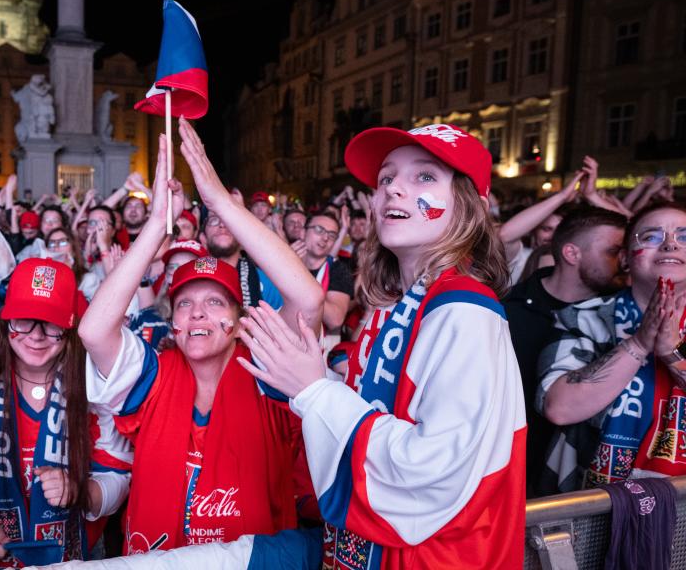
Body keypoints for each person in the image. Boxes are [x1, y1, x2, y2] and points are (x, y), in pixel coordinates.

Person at [238, 123, 525, 568]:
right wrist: (303, 376)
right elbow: (374, 409)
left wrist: (316, 390)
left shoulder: (465, 310)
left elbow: (433, 470)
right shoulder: (395, 304)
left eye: (424, 177)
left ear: (470, 207)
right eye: (387, 179)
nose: (394, 190)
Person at [80, 122, 323, 554]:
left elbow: (306, 299)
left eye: (215, 303)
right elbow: (94, 330)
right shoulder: (151, 374)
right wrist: (156, 225)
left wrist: (220, 206)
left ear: (237, 317)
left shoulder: (267, 371)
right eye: (186, 303)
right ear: (172, 321)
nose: (197, 313)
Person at [0, 258, 131, 568]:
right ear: (5, 321)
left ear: (70, 327)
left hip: (76, 558)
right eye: (23, 320)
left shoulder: (96, 388)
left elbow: (119, 476)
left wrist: (82, 492)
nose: (36, 335)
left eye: (51, 323)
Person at [538, 202, 686, 492]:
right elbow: (559, 408)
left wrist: (672, 352)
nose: (670, 244)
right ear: (626, 258)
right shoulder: (582, 317)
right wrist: (639, 342)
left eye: (684, 237)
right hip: (589, 505)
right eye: (652, 236)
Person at [502, 206, 627, 496]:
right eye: (613, 251)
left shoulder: (620, 316)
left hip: (579, 484)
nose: (624, 261)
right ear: (572, 254)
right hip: (509, 478)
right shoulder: (506, 312)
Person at [300, 212, 354, 331]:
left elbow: (335, 320)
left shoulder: (339, 270)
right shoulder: (285, 259)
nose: (325, 238)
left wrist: (297, 277)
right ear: (303, 232)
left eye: (332, 235)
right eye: (319, 230)